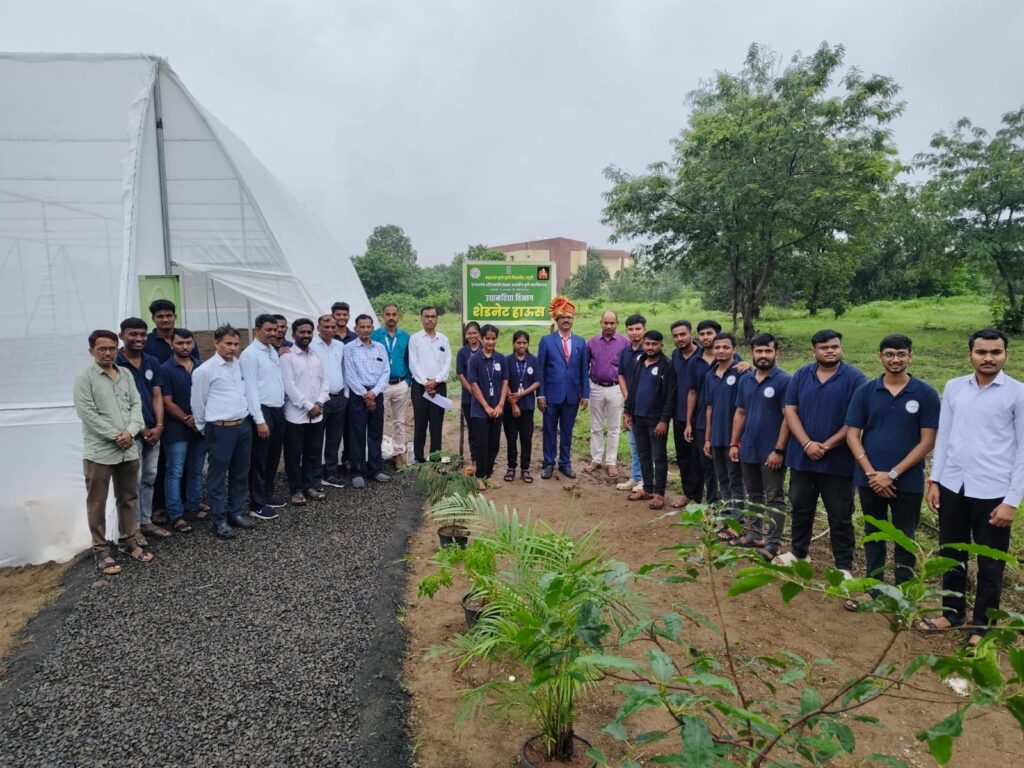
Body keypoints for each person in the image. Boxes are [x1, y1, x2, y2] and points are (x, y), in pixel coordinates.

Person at [922, 328, 1024, 646]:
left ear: (1006, 355)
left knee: (990, 563)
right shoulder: (954, 387)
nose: (988, 358)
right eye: (981, 352)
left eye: (995, 352)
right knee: (951, 552)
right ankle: (951, 613)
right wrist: (935, 480)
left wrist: (1012, 500)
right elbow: (945, 436)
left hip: (993, 492)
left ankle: (982, 627)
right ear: (970, 355)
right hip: (954, 485)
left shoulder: (1018, 393)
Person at [845, 334, 939, 610]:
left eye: (901, 354)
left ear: (911, 356)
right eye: (889, 354)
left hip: (907, 481)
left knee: (904, 537)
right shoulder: (866, 391)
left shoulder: (925, 393)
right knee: (873, 533)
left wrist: (893, 474)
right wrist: (872, 473)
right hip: (870, 479)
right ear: (880, 357)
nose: (895, 359)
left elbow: (927, 441)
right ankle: (872, 588)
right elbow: (852, 435)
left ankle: (902, 593)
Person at [776, 330, 867, 576]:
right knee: (800, 508)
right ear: (814, 351)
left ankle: (843, 566)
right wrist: (806, 444)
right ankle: (798, 553)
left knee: (840, 515)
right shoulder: (801, 375)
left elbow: (856, 419)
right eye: (824, 348)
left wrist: (827, 445)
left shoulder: (855, 379)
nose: (830, 351)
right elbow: (790, 410)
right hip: (802, 459)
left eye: (834, 347)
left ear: (841, 348)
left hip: (838, 462)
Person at [73, 330, 153, 574]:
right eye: (101, 349)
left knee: (128, 497)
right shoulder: (84, 379)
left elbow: (136, 404)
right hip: (100, 451)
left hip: (128, 449)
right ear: (91, 351)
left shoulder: (125, 374)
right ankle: (101, 550)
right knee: (97, 502)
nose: (107, 353)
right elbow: (88, 414)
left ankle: (127, 540)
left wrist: (131, 431)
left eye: (111, 348)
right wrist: (116, 435)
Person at [728, 333, 791, 561]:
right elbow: (740, 412)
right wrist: (735, 443)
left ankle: (773, 544)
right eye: (759, 351)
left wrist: (779, 450)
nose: (763, 355)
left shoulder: (785, 381)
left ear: (776, 352)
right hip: (749, 447)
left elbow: (788, 417)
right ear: (752, 353)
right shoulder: (746, 379)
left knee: (774, 497)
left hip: (771, 451)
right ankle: (755, 534)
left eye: (768, 351)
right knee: (753, 493)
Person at [191, 325, 256, 539]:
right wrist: (205, 428)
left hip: (243, 425)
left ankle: (235, 512)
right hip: (220, 429)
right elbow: (198, 403)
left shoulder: (239, 365)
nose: (233, 348)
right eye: (228, 344)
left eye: (236, 344)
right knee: (217, 476)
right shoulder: (205, 370)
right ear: (216, 343)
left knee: (240, 472)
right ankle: (219, 519)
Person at [117, 317, 170, 543]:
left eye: (142, 334)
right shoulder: (116, 363)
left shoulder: (152, 362)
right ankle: (133, 527)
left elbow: (157, 395)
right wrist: (144, 428)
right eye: (133, 334)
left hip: (153, 433)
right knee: (133, 481)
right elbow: (120, 403)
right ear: (122, 336)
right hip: (131, 434)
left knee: (149, 477)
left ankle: (147, 521)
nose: (138, 338)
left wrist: (159, 426)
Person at [239, 314, 287, 520]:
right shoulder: (250, 355)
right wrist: (259, 420)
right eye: (268, 330)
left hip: (277, 409)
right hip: (262, 411)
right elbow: (250, 388)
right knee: (259, 458)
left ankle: (267, 494)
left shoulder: (271, 350)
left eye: (275, 330)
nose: (273, 333)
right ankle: (257, 503)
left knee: (273, 456)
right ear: (257, 330)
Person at [699, 333, 747, 531]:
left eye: (726, 347)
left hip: (734, 437)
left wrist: (737, 440)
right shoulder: (710, 375)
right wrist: (707, 439)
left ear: (734, 349)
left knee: (736, 479)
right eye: (717, 347)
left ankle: (738, 520)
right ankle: (726, 516)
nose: (721, 351)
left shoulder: (742, 372)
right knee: (723, 478)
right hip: (716, 436)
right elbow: (709, 408)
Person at [537, 296, 589, 479]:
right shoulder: (547, 340)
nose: (566, 320)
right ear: (557, 319)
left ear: (573, 319)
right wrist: (540, 395)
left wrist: (585, 394)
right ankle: (548, 463)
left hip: (572, 395)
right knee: (549, 430)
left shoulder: (581, 342)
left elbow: (584, 369)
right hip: (551, 395)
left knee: (567, 431)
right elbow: (541, 369)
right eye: (563, 317)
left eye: (569, 317)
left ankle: (565, 463)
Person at [624, 330, 676, 510]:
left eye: (654, 344)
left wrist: (664, 420)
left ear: (661, 345)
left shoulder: (667, 365)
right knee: (643, 454)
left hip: (656, 420)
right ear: (643, 344)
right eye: (647, 344)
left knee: (658, 456)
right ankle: (647, 488)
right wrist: (627, 412)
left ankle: (659, 493)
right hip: (638, 417)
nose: (651, 347)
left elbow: (670, 395)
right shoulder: (639, 361)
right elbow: (632, 389)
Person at [160, 328, 205, 533]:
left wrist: (198, 419)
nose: (185, 347)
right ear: (172, 344)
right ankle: (176, 514)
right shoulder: (165, 369)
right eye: (180, 343)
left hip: (199, 425)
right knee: (175, 471)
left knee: (196, 469)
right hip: (176, 428)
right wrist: (188, 419)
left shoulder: (201, 366)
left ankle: (193, 506)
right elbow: (167, 402)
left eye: (188, 343)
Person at [281, 318, 329, 506]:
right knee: (294, 455)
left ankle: (311, 485)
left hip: (317, 414)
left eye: (309, 332)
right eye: (302, 332)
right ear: (293, 335)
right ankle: (296, 489)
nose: (306, 335)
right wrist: (309, 406)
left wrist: (319, 403)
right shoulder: (287, 357)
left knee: (313, 452)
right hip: (295, 415)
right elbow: (289, 386)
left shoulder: (316, 356)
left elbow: (325, 381)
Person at [344, 314, 391, 488]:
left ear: (372, 328)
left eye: (368, 327)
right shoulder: (349, 348)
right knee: (357, 434)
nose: (365, 330)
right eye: (362, 327)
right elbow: (349, 374)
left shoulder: (380, 348)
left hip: (376, 393)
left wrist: (374, 392)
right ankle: (357, 471)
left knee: (375, 433)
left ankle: (375, 469)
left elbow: (386, 372)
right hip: (358, 395)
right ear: (355, 329)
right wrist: (365, 394)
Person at [586, 310, 629, 477]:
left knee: (614, 428)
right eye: (606, 323)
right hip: (595, 387)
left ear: (617, 323)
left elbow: (627, 367)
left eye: (612, 323)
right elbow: (585, 364)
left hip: (616, 388)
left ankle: (611, 462)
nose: (609, 326)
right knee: (595, 426)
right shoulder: (592, 342)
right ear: (601, 323)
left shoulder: (624, 343)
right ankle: (596, 459)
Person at [467, 324, 509, 490]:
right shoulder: (474, 359)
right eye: (487, 339)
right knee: (482, 444)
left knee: (494, 444)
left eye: (493, 339)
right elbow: (473, 384)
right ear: (481, 338)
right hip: (480, 410)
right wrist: (486, 406)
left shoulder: (501, 359)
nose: (490, 342)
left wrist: (500, 405)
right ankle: (479, 476)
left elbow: (505, 382)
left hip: (497, 409)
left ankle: (488, 474)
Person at [408, 305, 451, 463]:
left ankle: (435, 458)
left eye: (433, 316)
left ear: (437, 318)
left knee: (436, 424)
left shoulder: (443, 339)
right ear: (421, 318)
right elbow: (413, 363)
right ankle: (419, 458)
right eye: (427, 316)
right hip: (420, 387)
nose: (430, 319)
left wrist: (436, 381)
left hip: (439, 387)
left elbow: (447, 363)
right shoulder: (415, 339)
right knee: (420, 423)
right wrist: (426, 383)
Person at [372, 303, 412, 469]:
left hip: (400, 383)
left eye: (394, 314)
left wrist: (408, 381)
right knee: (378, 420)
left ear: (399, 316)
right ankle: (376, 454)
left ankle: (398, 453)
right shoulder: (375, 335)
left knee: (399, 421)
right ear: (382, 315)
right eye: (387, 314)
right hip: (381, 386)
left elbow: (410, 360)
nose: (391, 317)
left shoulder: (406, 337)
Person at [311, 314, 348, 488]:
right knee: (316, 439)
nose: (330, 330)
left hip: (339, 398)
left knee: (334, 439)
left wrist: (345, 394)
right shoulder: (311, 346)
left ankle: (331, 473)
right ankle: (314, 475)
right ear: (318, 328)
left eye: (333, 327)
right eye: (326, 327)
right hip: (320, 401)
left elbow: (344, 370)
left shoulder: (340, 346)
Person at [670, 320, 702, 509]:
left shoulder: (704, 355)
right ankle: (688, 493)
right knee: (683, 457)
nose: (679, 338)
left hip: (701, 416)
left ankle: (700, 497)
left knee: (699, 458)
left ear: (691, 334)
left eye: (683, 334)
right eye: (676, 336)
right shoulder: (675, 355)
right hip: (679, 414)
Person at [616, 314, 647, 493]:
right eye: (631, 329)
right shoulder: (625, 352)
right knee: (633, 442)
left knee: (646, 444)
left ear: (644, 329)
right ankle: (635, 477)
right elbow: (621, 375)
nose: (634, 332)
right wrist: (628, 398)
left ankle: (646, 479)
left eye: (638, 329)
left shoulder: (649, 350)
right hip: (630, 404)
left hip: (647, 406)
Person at [503, 331, 539, 483]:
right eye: (518, 343)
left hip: (527, 406)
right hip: (509, 407)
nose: (521, 345)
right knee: (511, 438)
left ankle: (525, 468)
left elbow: (537, 382)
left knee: (526, 439)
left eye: (524, 343)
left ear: (528, 344)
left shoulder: (533, 360)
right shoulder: (507, 360)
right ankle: (511, 467)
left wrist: (521, 394)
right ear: (513, 344)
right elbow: (504, 382)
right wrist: (513, 403)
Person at [456, 322, 482, 472]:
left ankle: (484, 459)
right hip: (469, 398)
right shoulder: (462, 352)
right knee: (472, 430)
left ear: (479, 334)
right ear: (465, 335)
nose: (472, 336)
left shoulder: (485, 349)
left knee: (483, 430)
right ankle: (475, 460)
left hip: (485, 398)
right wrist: (473, 391)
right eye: (469, 333)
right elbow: (460, 374)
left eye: (474, 332)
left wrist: (481, 393)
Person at [144, 298, 201, 363]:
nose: (165, 320)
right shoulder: (146, 342)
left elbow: (196, 363)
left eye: (169, 316)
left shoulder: (186, 338)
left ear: (175, 317)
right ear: (153, 318)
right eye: (160, 316)